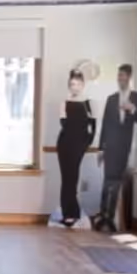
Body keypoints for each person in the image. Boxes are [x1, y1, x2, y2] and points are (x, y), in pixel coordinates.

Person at [94, 64, 137, 232]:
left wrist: (133, 109)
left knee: (116, 182)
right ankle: (103, 216)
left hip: (124, 147)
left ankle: (109, 218)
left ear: (129, 77)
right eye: (118, 76)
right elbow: (105, 125)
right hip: (110, 146)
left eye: (122, 75)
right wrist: (100, 149)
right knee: (107, 181)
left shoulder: (136, 97)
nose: (120, 79)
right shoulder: (111, 99)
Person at [57, 70, 96, 227]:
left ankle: (73, 213)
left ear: (83, 85)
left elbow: (92, 127)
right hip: (64, 144)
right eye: (72, 84)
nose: (75, 87)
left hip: (79, 145)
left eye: (78, 84)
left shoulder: (88, 103)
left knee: (73, 177)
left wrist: (86, 143)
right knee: (66, 179)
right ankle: (68, 214)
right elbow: (64, 124)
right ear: (69, 85)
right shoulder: (64, 103)